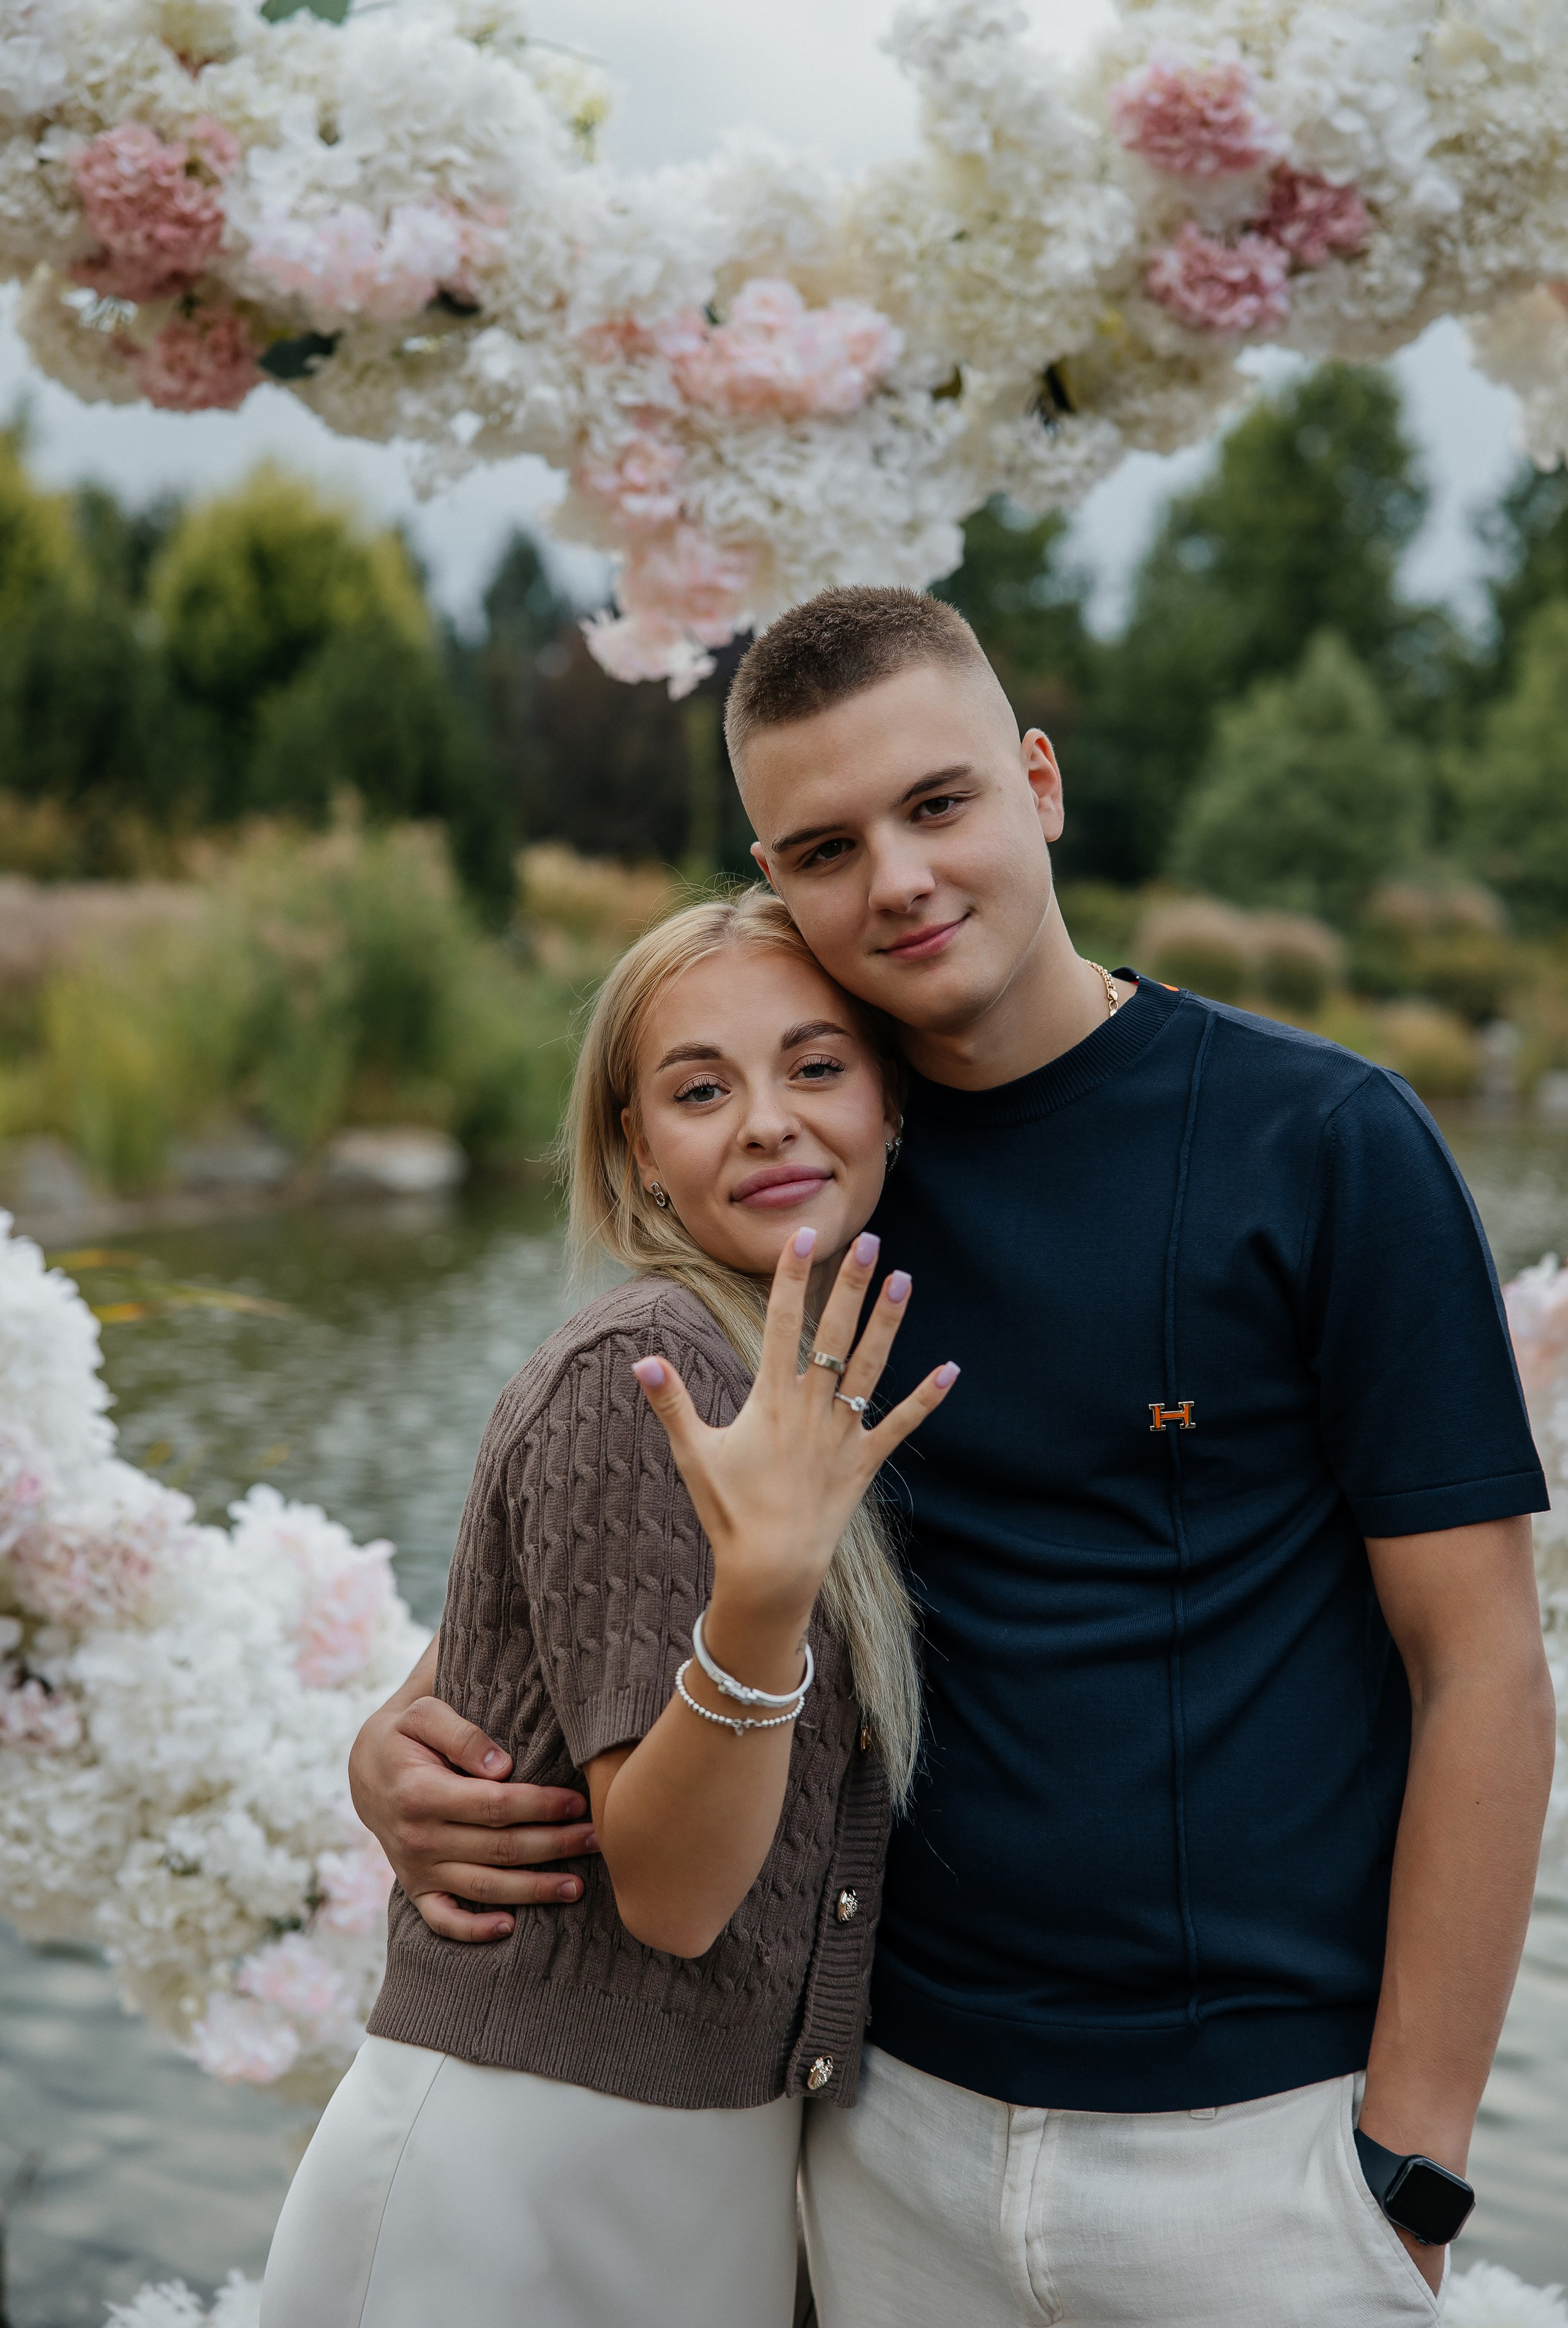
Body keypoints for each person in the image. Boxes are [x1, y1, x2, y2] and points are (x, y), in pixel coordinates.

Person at [351, 588, 1556, 2327]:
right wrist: (395, 1736)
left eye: (940, 806)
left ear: (1040, 784)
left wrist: (1412, 2158)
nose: (899, 880)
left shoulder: (1326, 1146)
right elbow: (628, 1528)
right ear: (775, 868)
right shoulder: (823, 1164)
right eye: (827, 847)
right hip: (878, 2123)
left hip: (1253, 2160)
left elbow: (1486, 1669)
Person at [262, 887, 958, 2328]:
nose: (765, 1120)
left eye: (814, 1067)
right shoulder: (643, 1374)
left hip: (698, 2169)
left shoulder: (809, 1356)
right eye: (700, 1090)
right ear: (639, 1144)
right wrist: (761, 1603)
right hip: (523, 2180)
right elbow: (679, 1898)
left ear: (889, 1097)